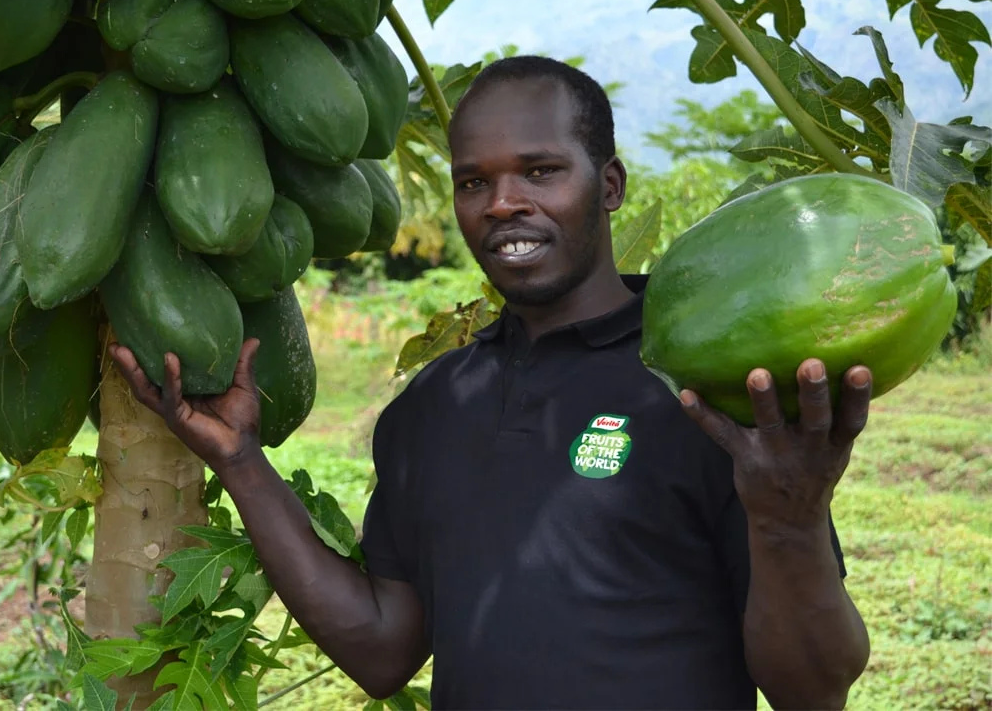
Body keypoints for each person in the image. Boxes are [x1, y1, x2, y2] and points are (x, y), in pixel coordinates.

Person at [108, 55, 872, 710]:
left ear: (608, 185)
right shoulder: (432, 408)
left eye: (540, 171)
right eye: (474, 182)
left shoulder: (705, 392)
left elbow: (814, 692)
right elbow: (383, 650)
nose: (503, 202)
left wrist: (787, 522)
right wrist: (240, 462)